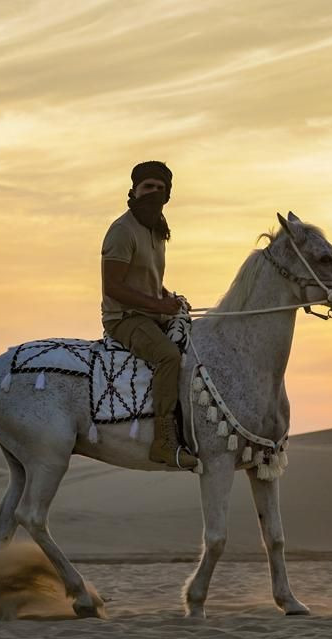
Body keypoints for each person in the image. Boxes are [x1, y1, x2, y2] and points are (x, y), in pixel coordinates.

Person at [100, 161, 198, 469]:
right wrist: (159, 307)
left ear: (167, 193)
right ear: (134, 191)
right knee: (168, 356)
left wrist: (169, 298)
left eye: (160, 188)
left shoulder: (157, 227)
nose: (154, 193)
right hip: (124, 318)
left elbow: (146, 278)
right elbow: (113, 287)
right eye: (147, 187)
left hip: (152, 312)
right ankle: (163, 441)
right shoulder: (122, 230)